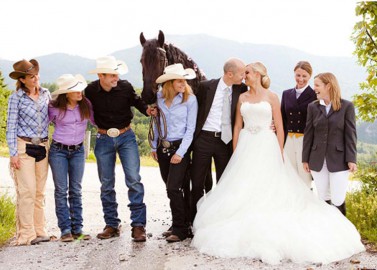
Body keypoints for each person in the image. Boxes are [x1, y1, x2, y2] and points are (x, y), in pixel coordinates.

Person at [192, 62, 364, 265]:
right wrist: (236, 151)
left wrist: (280, 151)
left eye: (247, 72)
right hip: (246, 143)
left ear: (257, 74)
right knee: (243, 183)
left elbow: (280, 125)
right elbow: (238, 125)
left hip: (267, 143)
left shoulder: (272, 96)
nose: (245, 76)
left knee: (270, 183)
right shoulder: (242, 97)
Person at [85, 56, 155, 242]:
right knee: (106, 184)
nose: (116, 78)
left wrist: (147, 110)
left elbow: (137, 101)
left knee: (133, 180)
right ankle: (111, 225)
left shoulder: (125, 87)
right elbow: (79, 106)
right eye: (112, 75)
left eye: (117, 75)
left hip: (126, 137)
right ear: (101, 75)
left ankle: (138, 226)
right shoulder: (90, 90)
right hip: (103, 138)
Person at [190, 58, 247, 222]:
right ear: (230, 74)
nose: (244, 77)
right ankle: (194, 220)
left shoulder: (241, 89)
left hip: (226, 141)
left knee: (224, 182)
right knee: (198, 182)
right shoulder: (205, 86)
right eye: (241, 73)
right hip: (204, 139)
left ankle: (219, 220)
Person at [150, 63, 198, 242]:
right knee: (173, 188)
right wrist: (154, 146)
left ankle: (180, 229)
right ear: (169, 83)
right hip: (163, 148)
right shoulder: (159, 99)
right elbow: (157, 123)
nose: (183, 84)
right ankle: (182, 222)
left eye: (184, 80)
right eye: (179, 81)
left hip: (180, 148)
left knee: (173, 188)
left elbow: (190, 129)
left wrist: (181, 152)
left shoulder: (190, 100)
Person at [6, 59, 51, 245]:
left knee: (40, 192)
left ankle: (40, 230)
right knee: (27, 191)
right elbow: (11, 127)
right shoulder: (16, 98)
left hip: (43, 146)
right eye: (31, 77)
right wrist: (13, 153)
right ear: (22, 80)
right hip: (23, 146)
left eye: (36, 75)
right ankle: (26, 234)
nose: (35, 79)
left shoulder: (46, 94)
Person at [302, 72, 357, 215]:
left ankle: (342, 234)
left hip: (339, 160)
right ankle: (325, 234)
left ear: (328, 86)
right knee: (323, 198)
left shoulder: (347, 106)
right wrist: (305, 159)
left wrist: (351, 159)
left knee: (338, 199)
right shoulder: (312, 107)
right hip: (317, 159)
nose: (314, 88)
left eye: (317, 85)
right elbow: (309, 134)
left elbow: (350, 135)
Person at [48, 74, 95, 242]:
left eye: (80, 89)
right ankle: (65, 230)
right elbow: (42, 124)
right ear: (66, 93)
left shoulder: (86, 105)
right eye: (75, 89)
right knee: (61, 191)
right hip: (58, 151)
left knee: (76, 190)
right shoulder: (54, 107)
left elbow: (97, 122)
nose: (79, 92)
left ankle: (78, 229)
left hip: (78, 151)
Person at [281, 61, 316, 188]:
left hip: (305, 140)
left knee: (304, 175)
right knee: (289, 174)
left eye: (304, 76)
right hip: (289, 139)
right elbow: (282, 119)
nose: (300, 79)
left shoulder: (314, 95)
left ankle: (306, 205)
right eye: (298, 75)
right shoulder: (286, 94)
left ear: (310, 76)